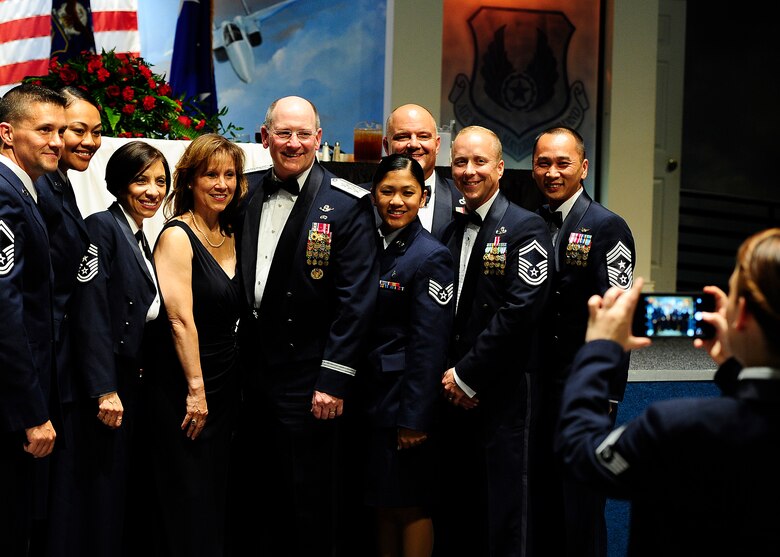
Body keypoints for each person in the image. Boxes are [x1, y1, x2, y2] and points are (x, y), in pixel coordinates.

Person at [555, 227, 780, 556]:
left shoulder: (676, 427)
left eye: (731, 296)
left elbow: (580, 452)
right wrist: (735, 368)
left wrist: (600, 349)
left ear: (742, 314)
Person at [234, 95, 379, 556]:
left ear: (318, 139)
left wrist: (333, 380)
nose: (292, 143)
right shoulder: (242, 190)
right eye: (283, 133)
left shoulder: (347, 203)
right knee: (253, 494)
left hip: (308, 375)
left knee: (309, 498)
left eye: (302, 134)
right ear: (265, 137)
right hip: (248, 371)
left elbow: (355, 302)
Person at [436, 125, 553, 557]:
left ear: (500, 168)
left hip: (502, 391)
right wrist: (450, 378)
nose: (469, 171)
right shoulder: (449, 230)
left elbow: (519, 312)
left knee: (505, 513)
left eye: (479, 161)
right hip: (452, 393)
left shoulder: (527, 228)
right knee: (461, 510)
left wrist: (468, 375)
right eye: (461, 161)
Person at [528, 126, 635, 557]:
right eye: (543, 163)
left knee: (580, 507)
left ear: (583, 168)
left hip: (585, 390)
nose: (552, 172)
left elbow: (618, 315)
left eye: (562, 163)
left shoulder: (608, 226)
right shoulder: (529, 221)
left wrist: (608, 394)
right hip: (538, 386)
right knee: (544, 501)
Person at [145, 133, 246, 557]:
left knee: (217, 494)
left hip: (226, 383)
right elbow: (178, 319)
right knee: (187, 494)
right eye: (211, 175)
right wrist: (196, 391)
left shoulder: (233, 231)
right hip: (186, 386)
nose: (222, 183)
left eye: (230, 175)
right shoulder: (177, 236)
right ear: (190, 180)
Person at [66, 140, 168, 557]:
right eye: (141, 180)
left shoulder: (141, 236)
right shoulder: (102, 227)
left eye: (160, 182)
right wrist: (104, 389)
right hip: (106, 387)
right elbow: (88, 314)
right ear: (118, 183)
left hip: (133, 381)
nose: (152, 191)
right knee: (99, 496)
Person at [357, 154, 455, 557]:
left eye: (408, 192)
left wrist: (415, 417)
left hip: (405, 405)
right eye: (387, 191)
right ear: (373, 194)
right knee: (382, 503)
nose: (396, 201)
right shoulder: (368, 244)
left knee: (411, 506)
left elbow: (429, 346)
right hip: (372, 401)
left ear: (424, 196)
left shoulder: (430, 256)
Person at [32, 85, 102, 557]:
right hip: (39, 362)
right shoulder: (35, 183)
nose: (85, 141)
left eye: (96, 133)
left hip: (58, 358)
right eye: (75, 130)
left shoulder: (58, 181)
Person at [0, 83, 65, 557]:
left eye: (60, 131)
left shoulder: (24, 192)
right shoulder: (5, 196)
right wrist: (31, 411)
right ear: (7, 133)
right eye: (44, 130)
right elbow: (5, 313)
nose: (57, 141)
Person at [380, 104, 462, 239]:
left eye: (423, 136)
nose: (413, 144)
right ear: (386, 146)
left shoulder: (464, 199)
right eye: (402, 137)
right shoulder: (360, 202)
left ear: (437, 145)